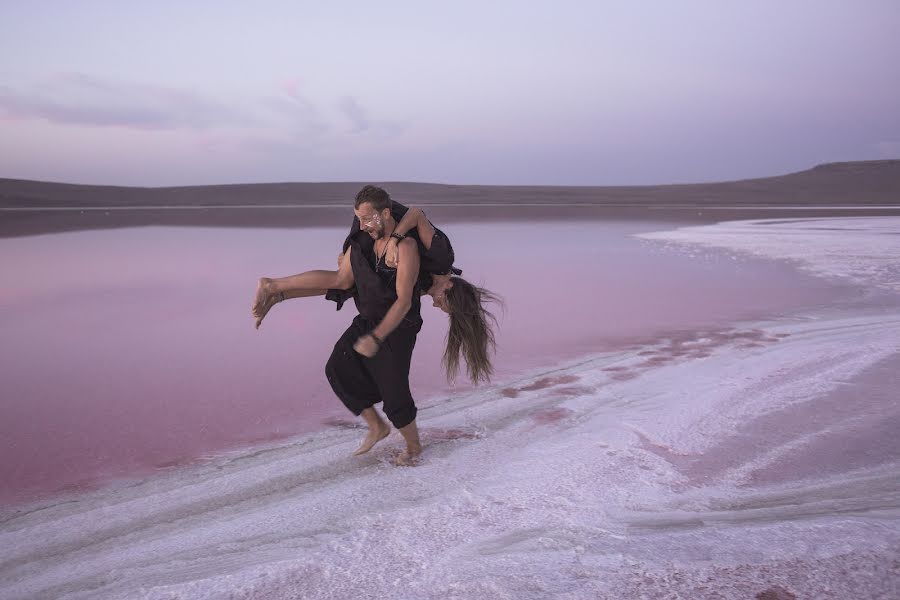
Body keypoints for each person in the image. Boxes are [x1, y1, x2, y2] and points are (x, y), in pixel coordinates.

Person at [254, 192, 501, 384]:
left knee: (348, 287)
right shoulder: (442, 256)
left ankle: (280, 295)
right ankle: (272, 284)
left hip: (379, 240)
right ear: (449, 285)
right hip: (378, 220)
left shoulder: (425, 285)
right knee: (342, 279)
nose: (436, 305)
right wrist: (395, 241)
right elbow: (415, 213)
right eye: (443, 303)